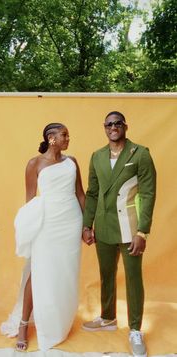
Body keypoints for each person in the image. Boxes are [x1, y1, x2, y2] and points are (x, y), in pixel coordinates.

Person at [1, 122, 85, 351]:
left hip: (71, 222)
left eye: (68, 134)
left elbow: (80, 194)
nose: (68, 138)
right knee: (37, 271)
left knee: (65, 273)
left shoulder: (72, 162)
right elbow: (30, 200)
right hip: (47, 223)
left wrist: (87, 226)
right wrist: (30, 228)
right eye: (64, 135)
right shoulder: (34, 164)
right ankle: (22, 325)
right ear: (51, 138)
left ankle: (57, 321)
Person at [82, 111, 156, 357]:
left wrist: (142, 232)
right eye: (108, 124)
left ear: (125, 126)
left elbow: (147, 195)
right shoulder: (97, 156)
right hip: (103, 227)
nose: (113, 127)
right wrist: (87, 224)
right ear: (104, 128)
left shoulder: (140, 154)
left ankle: (135, 329)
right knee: (106, 275)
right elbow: (92, 193)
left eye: (117, 123)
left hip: (129, 228)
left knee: (134, 280)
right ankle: (107, 317)